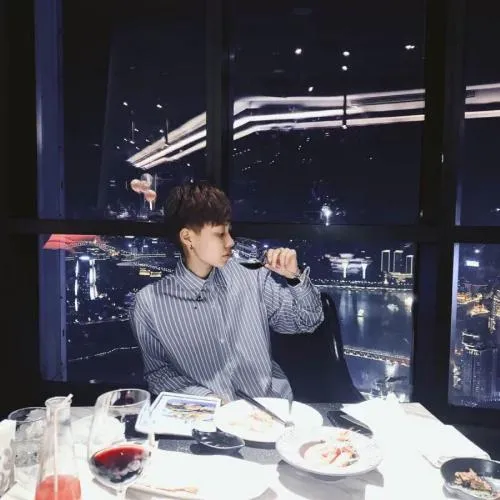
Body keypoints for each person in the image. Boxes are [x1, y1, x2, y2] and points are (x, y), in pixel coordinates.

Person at [130, 182, 324, 402]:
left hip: (270, 407)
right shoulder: (149, 304)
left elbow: (307, 321)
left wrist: (294, 277)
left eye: (228, 231)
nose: (230, 241)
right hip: (207, 414)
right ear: (187, 238)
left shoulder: (250, 276)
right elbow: (159, 374)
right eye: (220, 233)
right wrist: (208, 399)